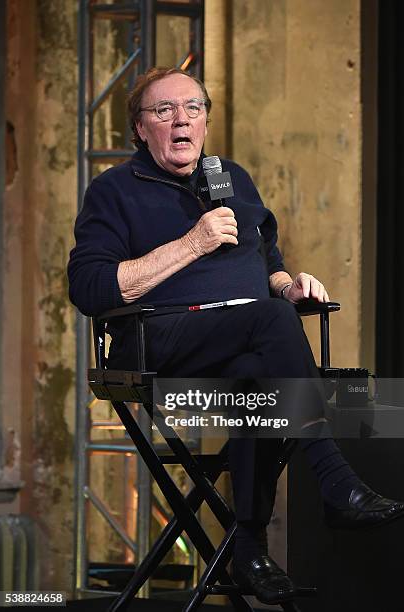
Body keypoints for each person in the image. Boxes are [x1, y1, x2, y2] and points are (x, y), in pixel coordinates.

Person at [68, 67, 404, 605]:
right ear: (139, 128)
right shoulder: (112, 192)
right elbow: (88, 287)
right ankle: (333, 479)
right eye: (164, 111)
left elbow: (265, 260)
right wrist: (192, 243)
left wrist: (288, 287)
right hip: (156, 343)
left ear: (204, 121)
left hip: (243, 341)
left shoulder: (233, 178)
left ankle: (246, 547)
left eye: (194, 108)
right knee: (270, 324)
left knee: (263, 368)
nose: (182, 119)